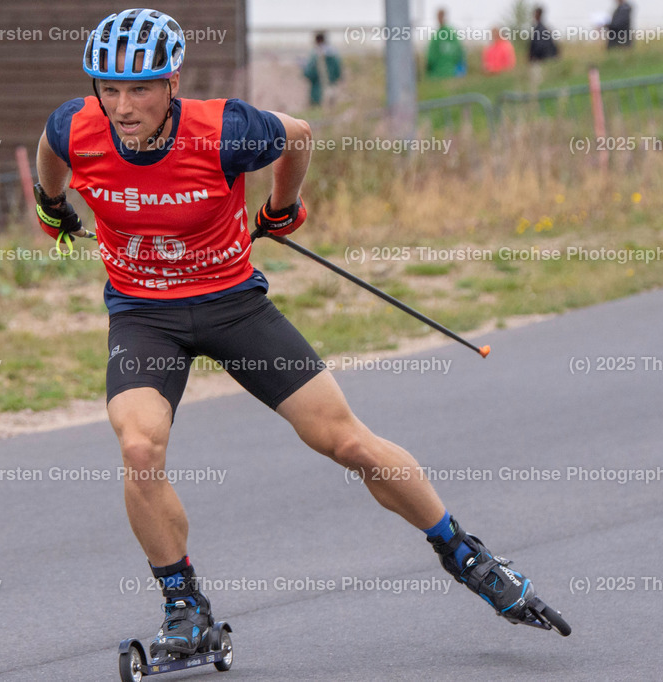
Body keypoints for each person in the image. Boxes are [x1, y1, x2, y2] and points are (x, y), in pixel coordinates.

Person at [35, 7, 557, 661]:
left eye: (139, 88)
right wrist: (49, 205)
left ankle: (466, 555)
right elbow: (51, 150)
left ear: (172, 84)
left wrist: (282, 209)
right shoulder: (77, 126)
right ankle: (185, 609)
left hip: (232, 305)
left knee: (344, 441)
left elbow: (298, 135)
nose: (122, 105)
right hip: (145, 316)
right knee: (139, 448)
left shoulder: (223, 129)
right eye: (108, 89)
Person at [303, 31, 342, 107]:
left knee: (317, 109)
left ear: (316, 41)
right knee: (331, 108)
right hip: (331, 86)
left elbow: (308, 72)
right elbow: (338, 72)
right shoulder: (333, 54)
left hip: (317, 90)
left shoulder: (314, 55)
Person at [426, 9, 466, 79]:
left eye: (441, 16)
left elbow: (459, 53)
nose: (440, 19)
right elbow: (430, 57)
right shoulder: (436, 36)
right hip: (437, 75)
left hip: (452, 74)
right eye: (439, 17)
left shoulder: (451, 34)